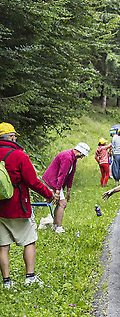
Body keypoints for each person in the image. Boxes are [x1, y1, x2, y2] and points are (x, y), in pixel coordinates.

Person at [0, 122, 55, 288]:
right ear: (11, 137)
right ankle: (30, 277)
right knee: (30, 240)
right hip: (18, 206)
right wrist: (49, 194)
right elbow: (33, 181)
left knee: (3, 245)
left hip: (0, 208)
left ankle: (6, 282)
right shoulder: (19, 155)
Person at [42, 142, 89, 233]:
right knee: (62, 203)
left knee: (60, 203)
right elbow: (62, 175)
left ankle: (55, 225)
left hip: (57, 182)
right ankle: (59, 228)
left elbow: (71, 175)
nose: (82, 157)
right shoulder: (67, 157)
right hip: (52, 180)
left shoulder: (73, 158)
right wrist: (58, 192)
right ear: (79, 151)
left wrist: (68, 191)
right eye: (82, 155)